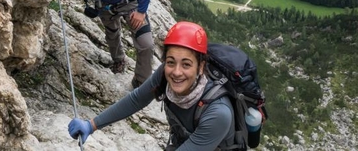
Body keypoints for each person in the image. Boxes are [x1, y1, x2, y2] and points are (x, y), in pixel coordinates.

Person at [67, 21, 235, 150]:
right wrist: (92, 124)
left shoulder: (218, 113)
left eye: (186, 64)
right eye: (171, 62)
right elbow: (137, 99)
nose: (176, 72)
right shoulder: (165, 73)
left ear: (201, 67)